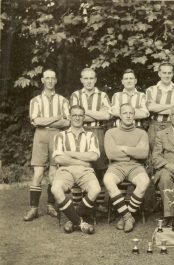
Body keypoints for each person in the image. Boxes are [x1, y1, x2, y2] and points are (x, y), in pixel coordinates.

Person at [24, 69, 70, 221]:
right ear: (43, 80)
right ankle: (33, 208)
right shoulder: (35, 101)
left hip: (57, 136)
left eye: (53, 78)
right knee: (38, 173)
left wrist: (48, 120)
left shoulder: (63, 100)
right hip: (41, 135)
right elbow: (36, 121)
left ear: (56, 80)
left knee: (53, 174)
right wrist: (56, 117)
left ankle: (51, 205)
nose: (50, 81)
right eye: (47, 78)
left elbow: (67, 122)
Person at [51, 105, 101, 234]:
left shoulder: (91, 136)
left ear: (84, 117)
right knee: (55, 189)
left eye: (80, 115)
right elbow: (59, 159)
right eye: (74, 115)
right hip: (65, 170)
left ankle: (72, 220)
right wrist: (83, 161)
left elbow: (94, 156)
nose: (77, 118)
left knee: (96, 189)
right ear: (69, 117)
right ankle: (80, 223)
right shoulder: (60, 136)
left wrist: (70, 153)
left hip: (85, 171)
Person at [103, 103, 150, 233]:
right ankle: (128, 217)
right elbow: (111, 154)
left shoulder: (142, 133)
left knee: (144, 181)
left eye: (131, 113)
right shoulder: (110, 132)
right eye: (125, 113)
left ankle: (124, 216)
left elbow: (143, 154)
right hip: (116, 166)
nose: (128, 116)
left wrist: (123, 149)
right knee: (108, 180)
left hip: (136, 167)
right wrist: (133, 153)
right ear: (120, 115)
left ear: (134, 115)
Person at [70, 68, 111, 213]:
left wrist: (85, 112)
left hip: (98, 131)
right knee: (80, 165)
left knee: (99, 167)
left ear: (95, 79)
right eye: (85, 78)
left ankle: (98, 202)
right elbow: (75, 116)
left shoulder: (103, 95)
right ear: (81, 80)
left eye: (91, 78)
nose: (88, 81)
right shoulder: (75, 95)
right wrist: (96, 114)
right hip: (80, 132)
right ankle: (79, 202)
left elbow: (106, 116)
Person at [146, 62, 174, 150]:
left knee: (171, 152)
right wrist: (172, 105)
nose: (167, 76)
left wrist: (157, 108)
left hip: (172, 125)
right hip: (154, 125)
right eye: (164, 73)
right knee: (154, 153)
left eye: (169, 73)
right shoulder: (151, 90)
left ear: (172, 74)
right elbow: (150, 108)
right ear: (159, 74)